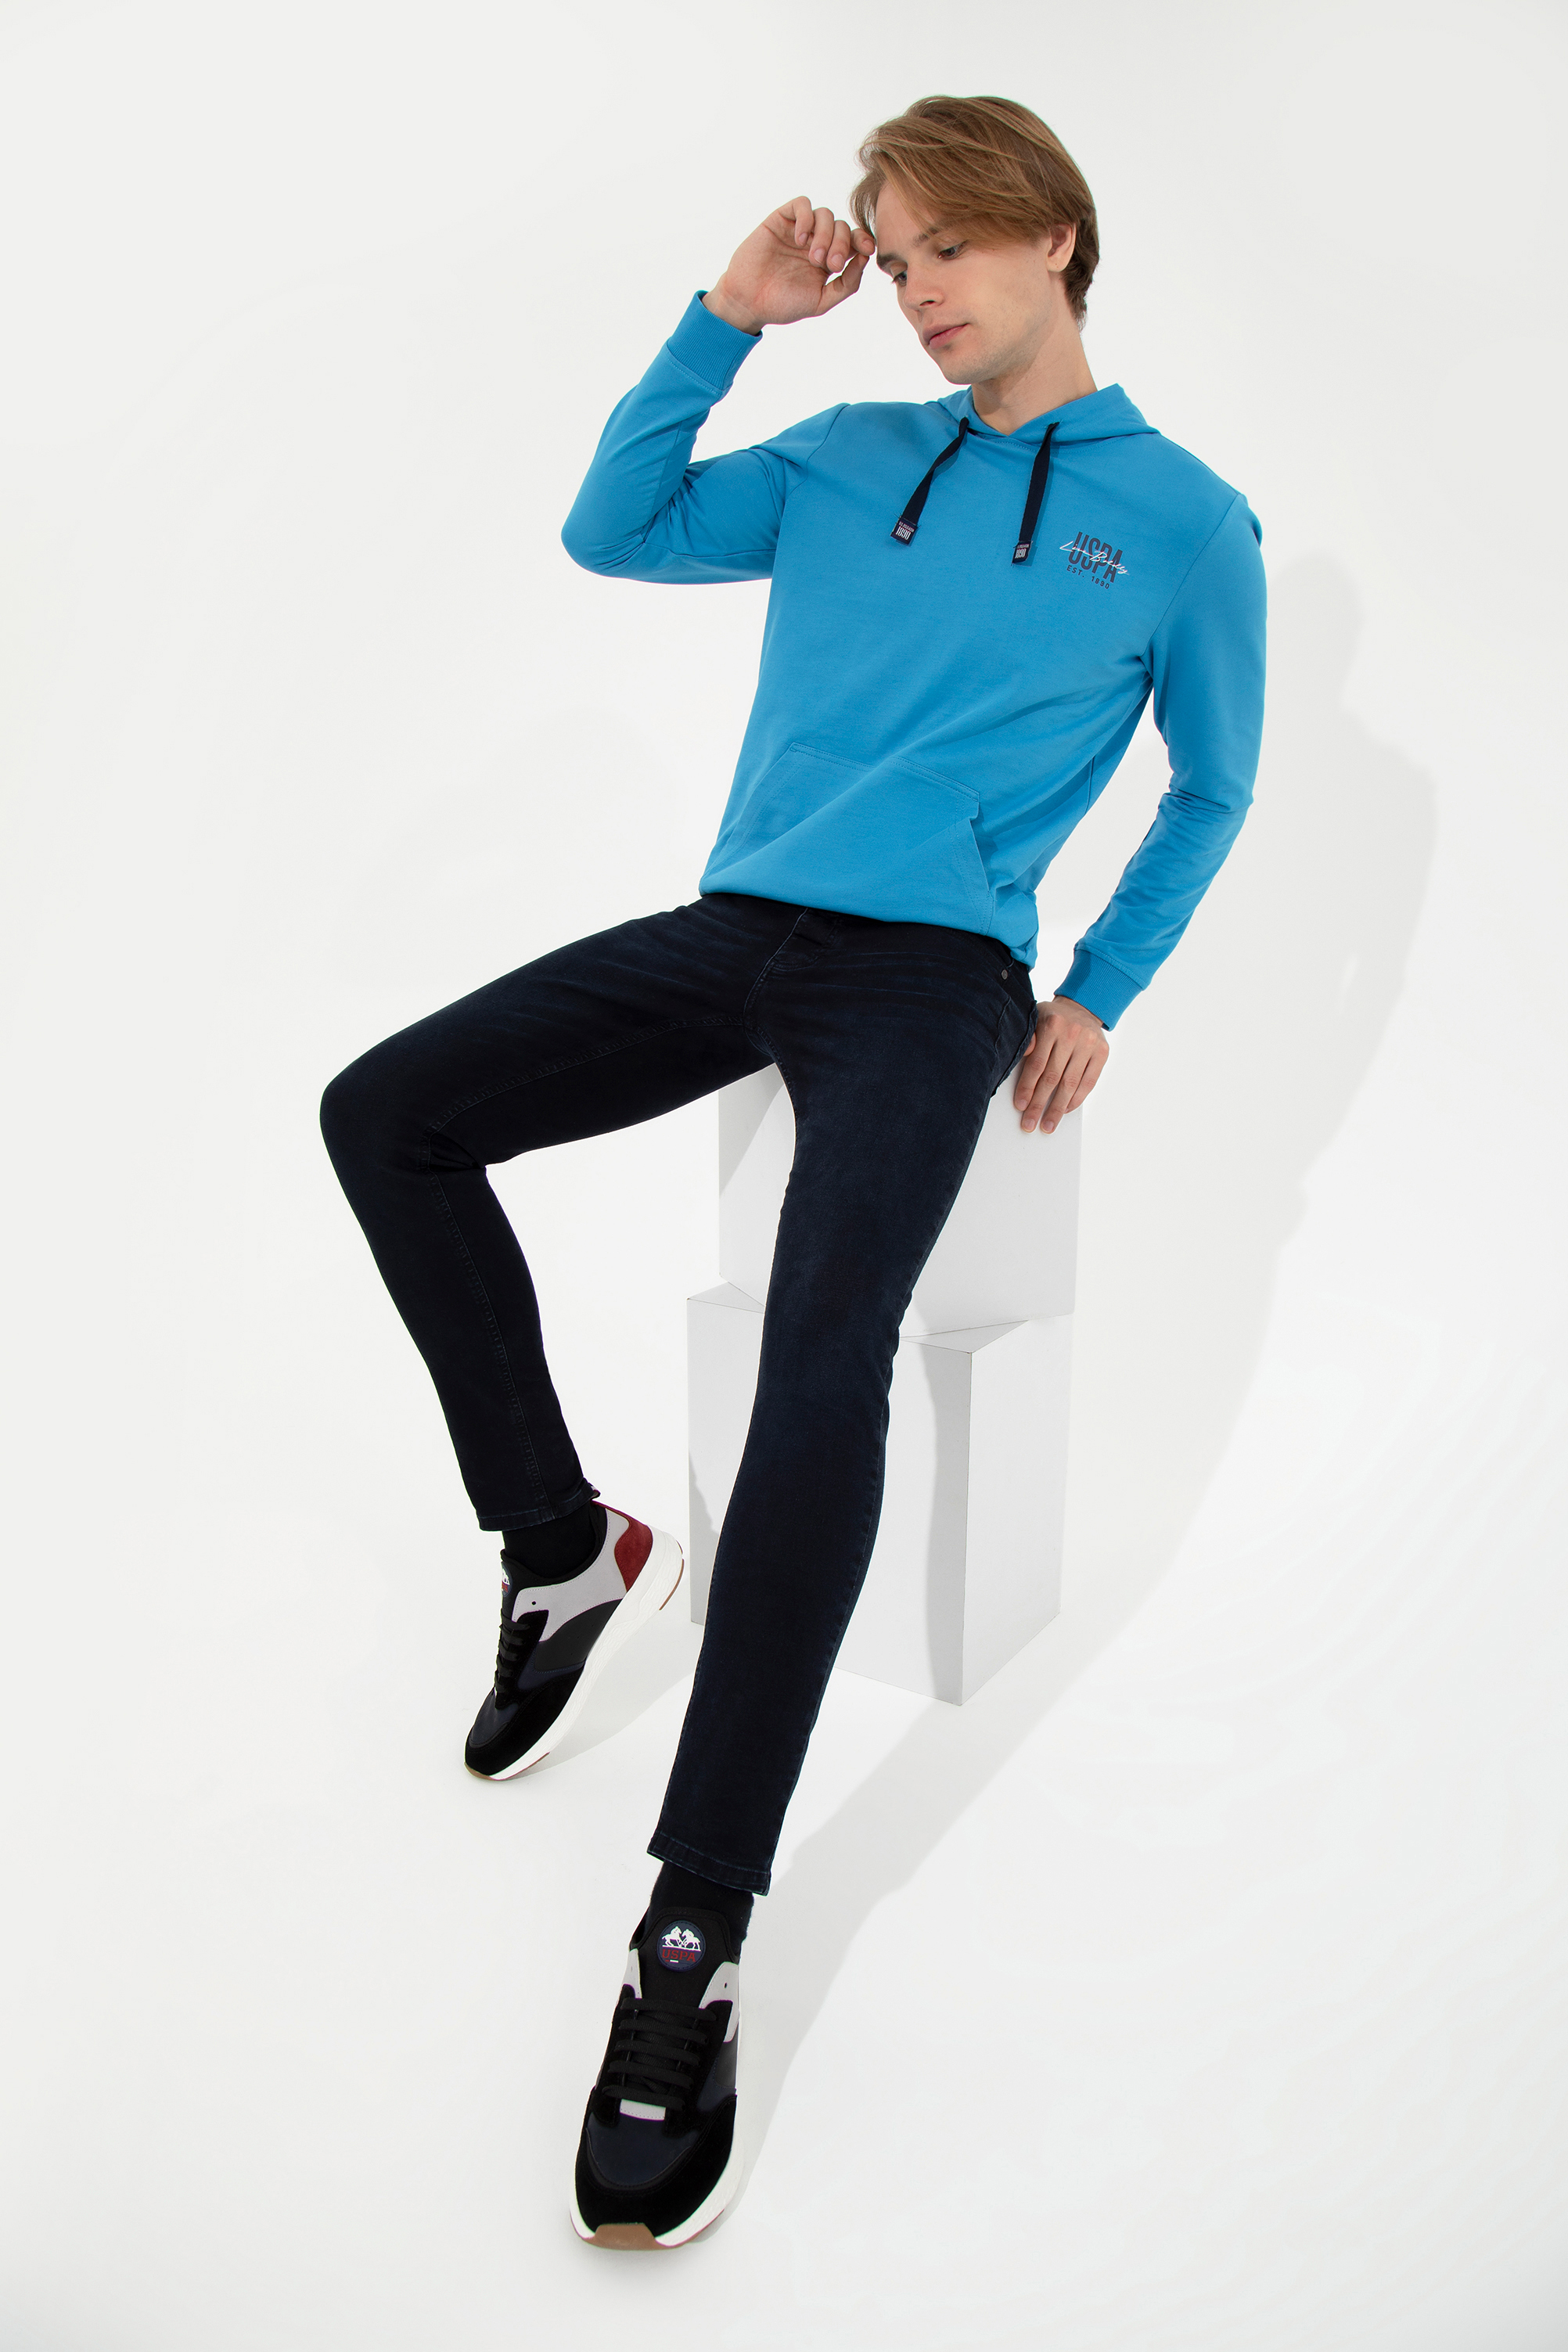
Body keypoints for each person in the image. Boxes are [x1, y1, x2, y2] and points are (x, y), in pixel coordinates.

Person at [320, 93, 1266, 2249]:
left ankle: (692, 1937)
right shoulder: (847, 458)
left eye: (947, 249)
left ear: (1054, 238)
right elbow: (615, 527)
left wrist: (1098, 987)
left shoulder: (1185, 524)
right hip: (740, 925)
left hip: (933, 980)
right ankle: (559, 1548)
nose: (914, 290)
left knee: (822, 1358)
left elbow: (1211, 785)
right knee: (387, 1112)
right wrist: (725, 319)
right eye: (889, 254)